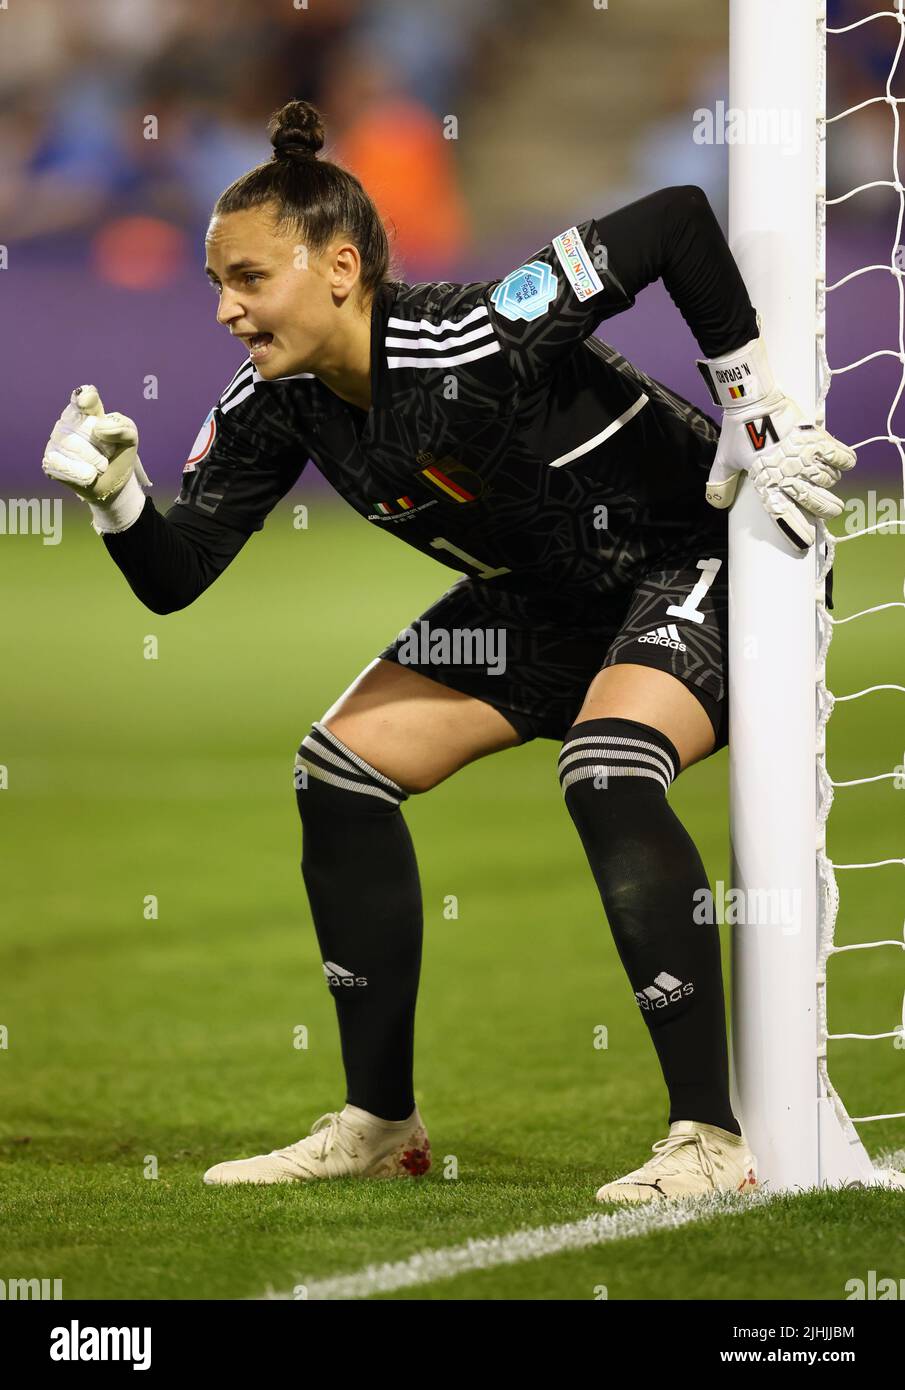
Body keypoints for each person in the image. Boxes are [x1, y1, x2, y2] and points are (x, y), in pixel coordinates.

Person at [42, 99, 855, 1203]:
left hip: (698, 558)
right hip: (544, 599)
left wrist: (753, 414)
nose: (226, 310)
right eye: (215, 285)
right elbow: (178, 577)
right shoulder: (274, 405)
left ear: (338, 267)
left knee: (607, 768)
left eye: (246, 278)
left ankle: (707, 1140)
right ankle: (380, 1123)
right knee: (337, 774)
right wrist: (118, 498)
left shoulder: (472, 331)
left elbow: (671, 220)